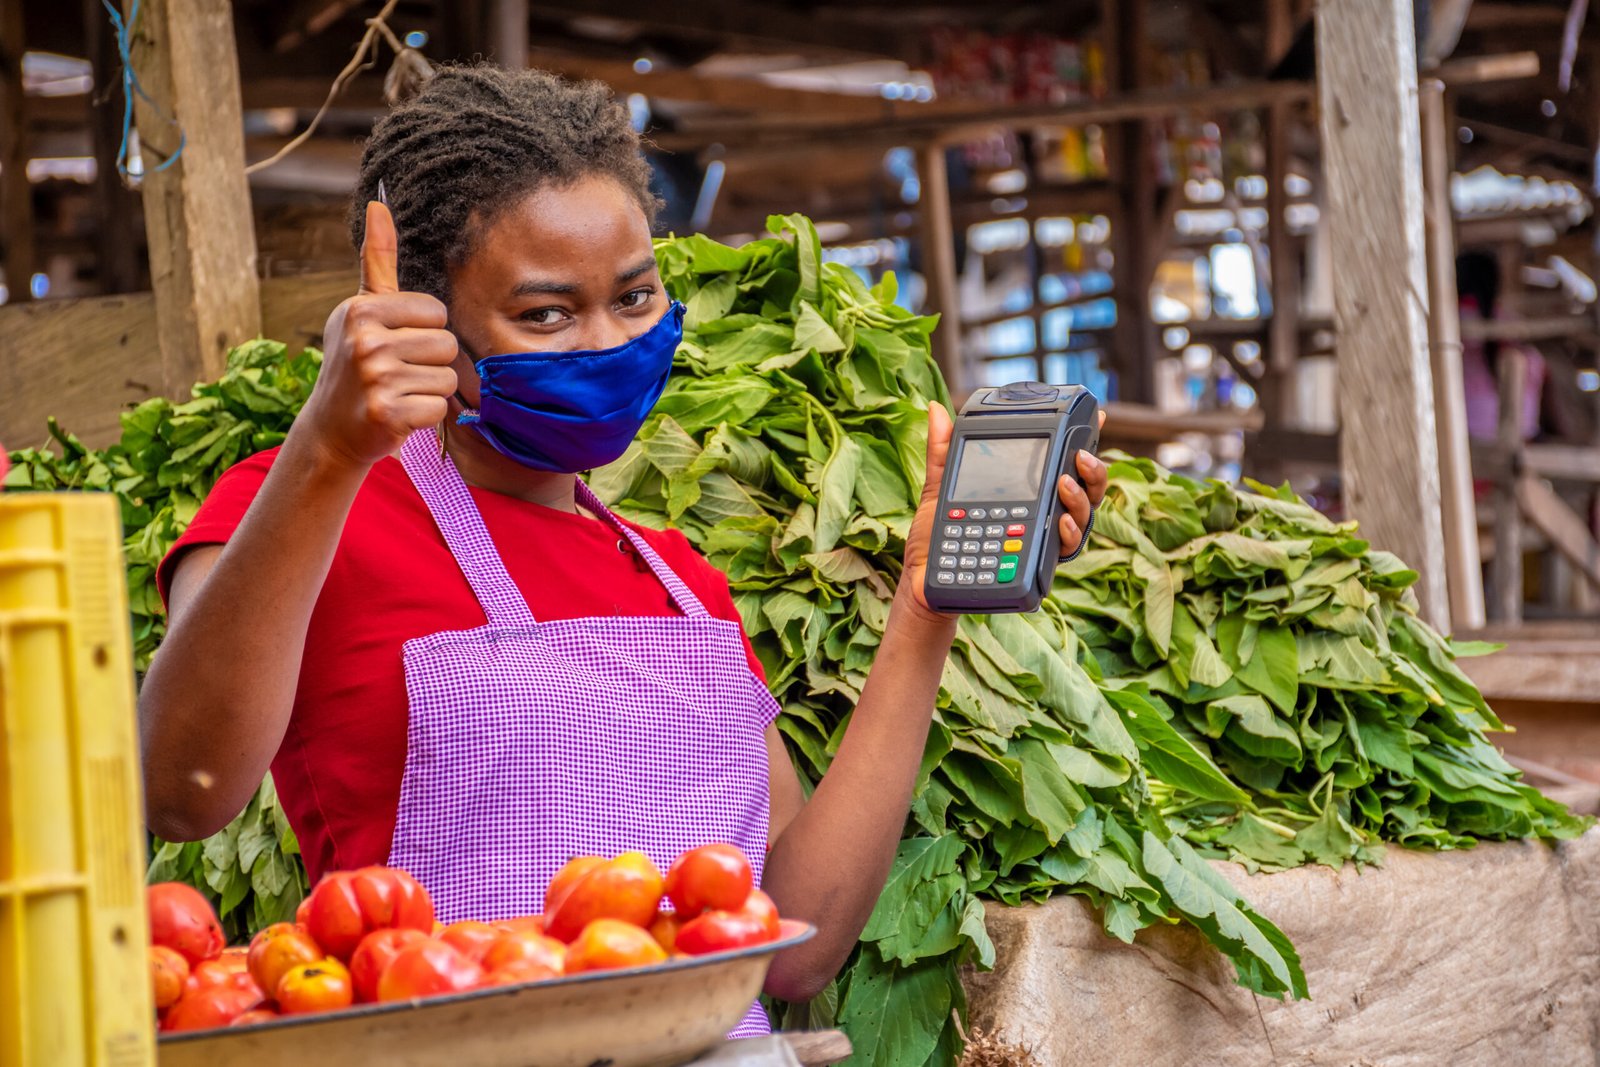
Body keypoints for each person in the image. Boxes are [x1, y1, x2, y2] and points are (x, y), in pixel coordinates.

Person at [137, 65, 1108, 1035]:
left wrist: (923, 610)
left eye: (636, 298)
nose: (606, 341)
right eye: (546, 313)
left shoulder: (677, 577)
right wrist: (327, 446)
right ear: (428, 321)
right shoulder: (313, 500)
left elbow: (796, 940)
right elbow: (181, 788)